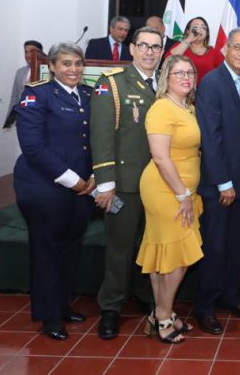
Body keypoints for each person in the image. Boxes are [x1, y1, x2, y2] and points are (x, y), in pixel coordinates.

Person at [14, 42, 95, 340]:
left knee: (70, 249)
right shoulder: (36, 94)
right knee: (47, 252)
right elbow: (33, 147)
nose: (73, 69)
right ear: (52, 67)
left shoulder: (88, 95)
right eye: (66, 64)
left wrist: (96, 174)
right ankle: (49, 316)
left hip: (83, 188)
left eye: (77, 64)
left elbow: (97, 137)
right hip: (44, 187)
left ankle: (62, 305)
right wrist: (71, 179)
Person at [90, 26, 164, 339]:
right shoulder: (113, 83)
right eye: (144, 46)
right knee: (120, 249)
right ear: (131, 49)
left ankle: (148, 298)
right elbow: (102, 136)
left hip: (160, 185)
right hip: (127, 183)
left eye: (156, 47)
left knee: (152, 247)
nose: (150, 52)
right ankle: (111, 307)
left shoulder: (169, 82)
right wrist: (105, 183)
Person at [193, 28, 240, 334]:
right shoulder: (212, 82)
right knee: (215, 248)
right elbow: (211, 137)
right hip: (220, 185)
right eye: (237, 48)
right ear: (226, 49)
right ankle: (205, 308)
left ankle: (230, 297)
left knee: (235, 248)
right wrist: (223, 182)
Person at [136, 54, 203, 344]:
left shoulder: (187, 106)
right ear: (167, 77)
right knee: (178, 257)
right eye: (178, 73)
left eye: (189, 72)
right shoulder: (161, 108)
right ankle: (163, 315)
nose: (185, 77)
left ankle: (160, 314)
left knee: (164, 253)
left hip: (184, 191)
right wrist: (182, 194)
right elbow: (161, 158)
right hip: (167, 190)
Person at [164, 16, 224, 85]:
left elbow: (225, 73)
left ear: (207, 33)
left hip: (207, 91)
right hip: (182, 89)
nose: (199, 30)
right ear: (188, 31)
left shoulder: (214, 52)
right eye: (196, 27)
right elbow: (168, 60)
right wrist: (189, 39)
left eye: (203, 28)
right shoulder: (180, 46)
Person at [4, 40, 44, 129]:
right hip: (22, 120)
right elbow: (14, 96)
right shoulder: (20, 72)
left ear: (40, 54)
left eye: (32, 51)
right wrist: (9, 118)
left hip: (41, 122)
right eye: (26, 52)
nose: (28, 55)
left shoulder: (47, 72)